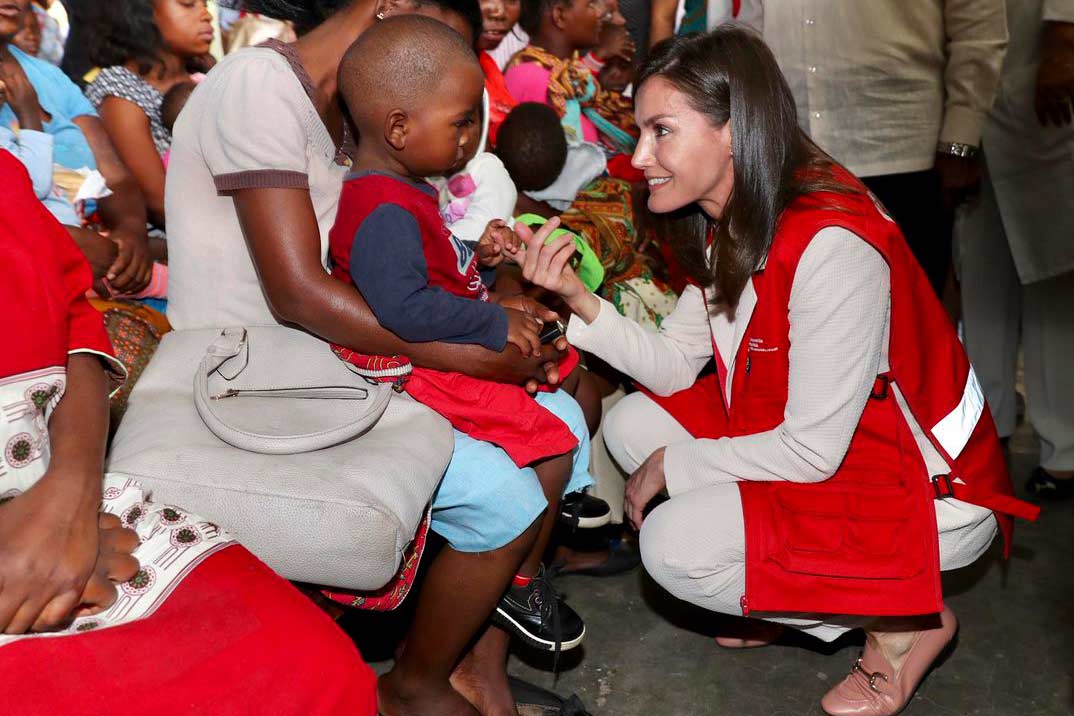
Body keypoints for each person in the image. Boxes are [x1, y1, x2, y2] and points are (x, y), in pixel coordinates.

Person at [514, 28, 1039, 716]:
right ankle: (795, 588)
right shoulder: (727, 212)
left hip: (926, 486)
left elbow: (812, 450)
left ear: (733, 132)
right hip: (839, 445)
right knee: (635, 424)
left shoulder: (830, 241)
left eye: (660, 132)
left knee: (672, 551)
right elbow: (676, 367)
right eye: (639, 133)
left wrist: (680, 465)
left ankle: (904, 625)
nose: (639, 157)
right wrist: (580, 301)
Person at [164, 1, 588, 714]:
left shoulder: (361, 123)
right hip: (257, 378)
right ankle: (415, 682)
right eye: (439, 27)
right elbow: (302, 295)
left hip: (338, 359)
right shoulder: (261, 89)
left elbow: (396, 270)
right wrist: (477, 342)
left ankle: (472, 664)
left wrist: (494, 295)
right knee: (506, 496)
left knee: (565, 414)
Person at [0, 150, 377, 715]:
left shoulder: (6, 176)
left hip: (59, 487)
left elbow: (76, 319)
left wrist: (69, 494)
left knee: (319, 670)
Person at [762, 0, 1008, 298]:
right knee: (799, 321)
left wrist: (961, 137)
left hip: (899, 153)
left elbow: (977, 18)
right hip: (787, 153)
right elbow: (749, 19)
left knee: (906, 329)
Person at [957, 0, 1074, 499]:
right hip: (969, 100)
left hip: (1040, 85)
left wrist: (1064, 40)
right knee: (980, 278)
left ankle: (1065, 449)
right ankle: (989, 426)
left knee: (1050, 279)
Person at [0, 0, 153, 296]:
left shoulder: (51, 78)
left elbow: (115, 176)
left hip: (95, 272)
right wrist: (58, 241)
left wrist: (131, 233)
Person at [84, 0, 216, 230]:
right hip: (179, 235)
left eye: (204, 4)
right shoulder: (120, 88)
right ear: (144, 13)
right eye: (188, 4)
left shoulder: (203, 76)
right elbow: (161, 205)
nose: (206, 15)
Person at [506, 0, 638, 155]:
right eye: (591, 4)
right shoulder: (531, 78)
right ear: (560, 16)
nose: (599, 13)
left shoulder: (576, 77)